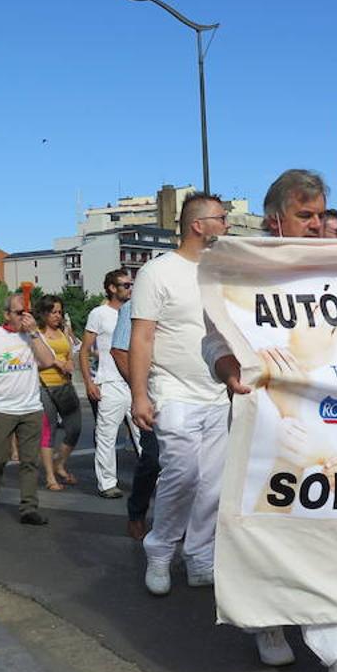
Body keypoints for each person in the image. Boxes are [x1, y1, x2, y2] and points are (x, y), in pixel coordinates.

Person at [211, 169, 337, 672]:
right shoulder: (243, 272)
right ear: (275, 220)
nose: (316, 226)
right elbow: (215, 342)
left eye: (320, 216)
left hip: (327, 417)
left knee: (320, 526)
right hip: (265, 413)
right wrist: (228, 370)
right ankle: (265, 619)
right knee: (267, 523)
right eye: (304, 216)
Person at [129, 192, 229, 592]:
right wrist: (140, 395)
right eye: (221, 218)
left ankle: (199, 554)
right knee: (183, 474)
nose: (227, 224)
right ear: (197, 225)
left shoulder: (223, 270)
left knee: (213, 484)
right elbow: (142, 336)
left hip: (218, 393)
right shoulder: (157, 272)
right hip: (172, 391)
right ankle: (160, 550)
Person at [0, 291, 59, 525]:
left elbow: (48, 361)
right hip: (1, 408)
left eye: (28, 312)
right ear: (7, 314)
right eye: (19, 313)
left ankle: (29, 508)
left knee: (30, 461)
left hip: (31, 408)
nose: (24, 317)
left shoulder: (33, 336)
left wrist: (33, 333)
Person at [82, 269, 140, 498]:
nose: (130, 288)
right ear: (112, 288)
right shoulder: (99, 313)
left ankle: (156, 480)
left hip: (134, 383)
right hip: (109, 382)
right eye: (125, 285)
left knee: (145, 434)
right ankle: (107, 484)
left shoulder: (137, 311)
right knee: (106, 436)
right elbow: (85, 350)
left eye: (131, 284)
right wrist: (89, 382)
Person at [111, 301, 158, 541]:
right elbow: (119, 351)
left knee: (195, 465)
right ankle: (137, 514)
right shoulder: (136, 305)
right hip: (156, 394)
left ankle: (184, 522)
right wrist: (140, 390)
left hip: (198, 393)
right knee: (152, 458)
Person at [35, 295, 82, 488]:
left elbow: (73, 354)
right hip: (44, 386)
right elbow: (31, 362)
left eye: (60, 312)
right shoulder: (36, 334)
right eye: (53, 312)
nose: (57, 316)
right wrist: (54, 363)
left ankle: (59, 463)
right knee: (49, 431)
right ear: (44, 313)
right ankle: (50, 477)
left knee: (74, 428)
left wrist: (70, 363)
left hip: (65, 386)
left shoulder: (64, 332)